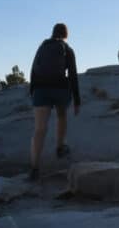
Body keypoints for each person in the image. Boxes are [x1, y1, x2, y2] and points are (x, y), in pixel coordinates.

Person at [28, 22, 81, 180]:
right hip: (59, 89)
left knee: (40, 129)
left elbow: (33, 70)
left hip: (40, 90)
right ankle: (60, 147)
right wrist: (77, 100)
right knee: (61, 115)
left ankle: (34, 168)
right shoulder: (67, 49)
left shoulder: (42, 46)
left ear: (52, 33)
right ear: (66, 34)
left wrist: (33, 91)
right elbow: (72, 75)